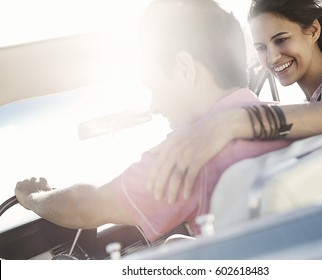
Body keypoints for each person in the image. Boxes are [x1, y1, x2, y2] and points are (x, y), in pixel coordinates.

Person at [14, 0, 292, 242]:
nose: (155, 106)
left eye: (153, 85)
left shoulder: (190, 153)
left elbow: (83, 206)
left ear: (185, 68)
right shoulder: (293, 120)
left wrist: (33, 197)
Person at [148, 0, 322, 203]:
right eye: (261, 48)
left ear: (313, 31)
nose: (272, 57)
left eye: (281, 40)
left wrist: (236, 121)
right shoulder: (321, 92)